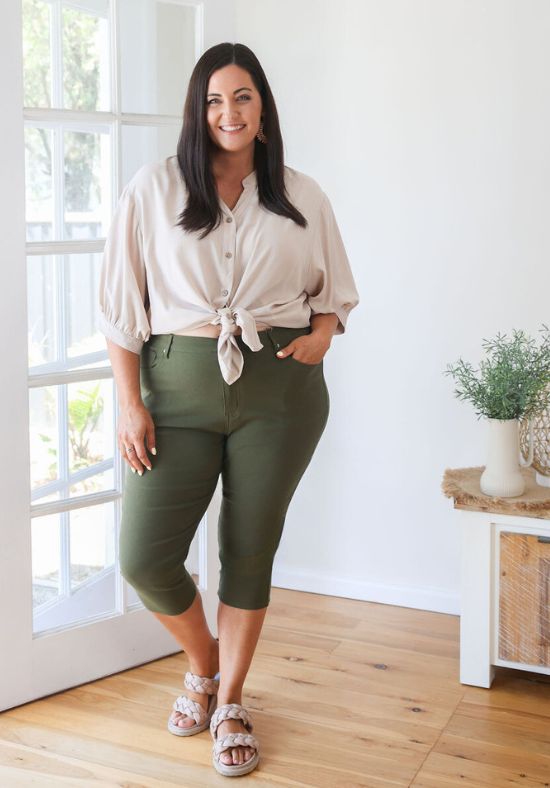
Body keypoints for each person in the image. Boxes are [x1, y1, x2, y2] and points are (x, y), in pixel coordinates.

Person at [98, 41, 360, 778]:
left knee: (249, 549)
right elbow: (123, 313)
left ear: (264, 109)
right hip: (176, 385)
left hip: (280, 390)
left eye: (243, 97)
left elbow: (333, 293)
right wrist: (129, 405)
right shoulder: (153, 191)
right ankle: (204, 666)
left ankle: (233, 700)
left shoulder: (302, 196)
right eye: (215, 99)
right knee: (144, 555)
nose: (229, 112)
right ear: (197, 109)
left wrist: (321, 338)